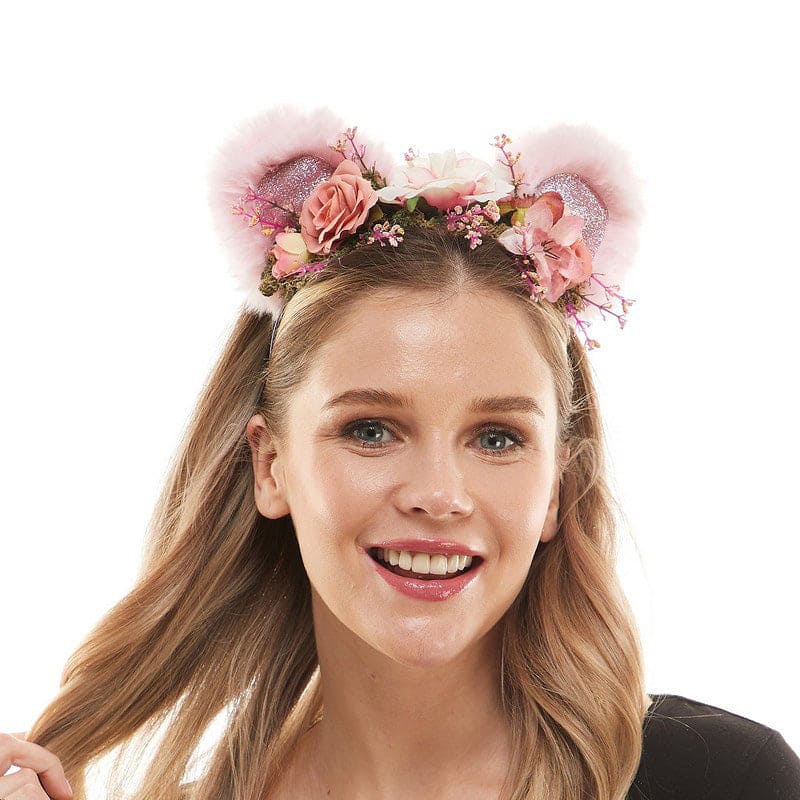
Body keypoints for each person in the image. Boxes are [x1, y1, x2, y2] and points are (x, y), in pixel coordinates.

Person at [2, 105, 798, 800]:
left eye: (497, 438)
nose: (439, 494)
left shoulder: (726, 781)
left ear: (557, 485)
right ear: (270, 465)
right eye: (371, 430)